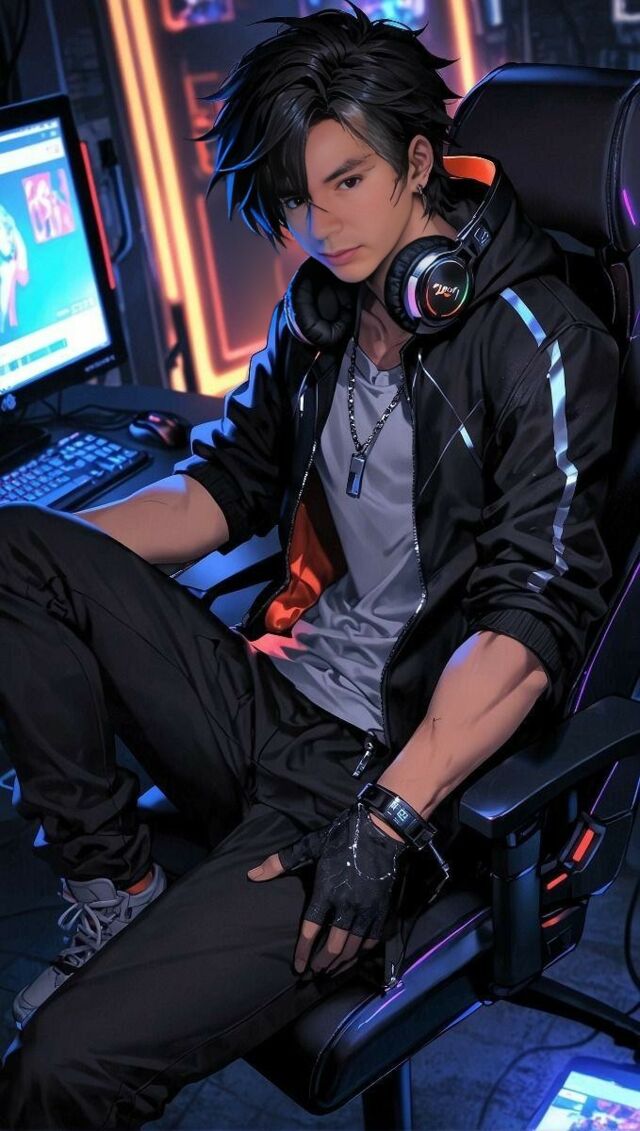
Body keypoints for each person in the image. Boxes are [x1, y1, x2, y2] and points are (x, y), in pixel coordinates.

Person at [0, 2, 620, 1126]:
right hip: (265, 699)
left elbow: (532, 618)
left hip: (379, 771)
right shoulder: (323, 310)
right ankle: (115, 886)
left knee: (57, 1063)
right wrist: (49, 576)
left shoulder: (538, 341)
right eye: (296, 197)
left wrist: (388, 821)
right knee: (13, 546)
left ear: (418, 162)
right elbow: (217, 492)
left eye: (347, 182)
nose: (319, 223)